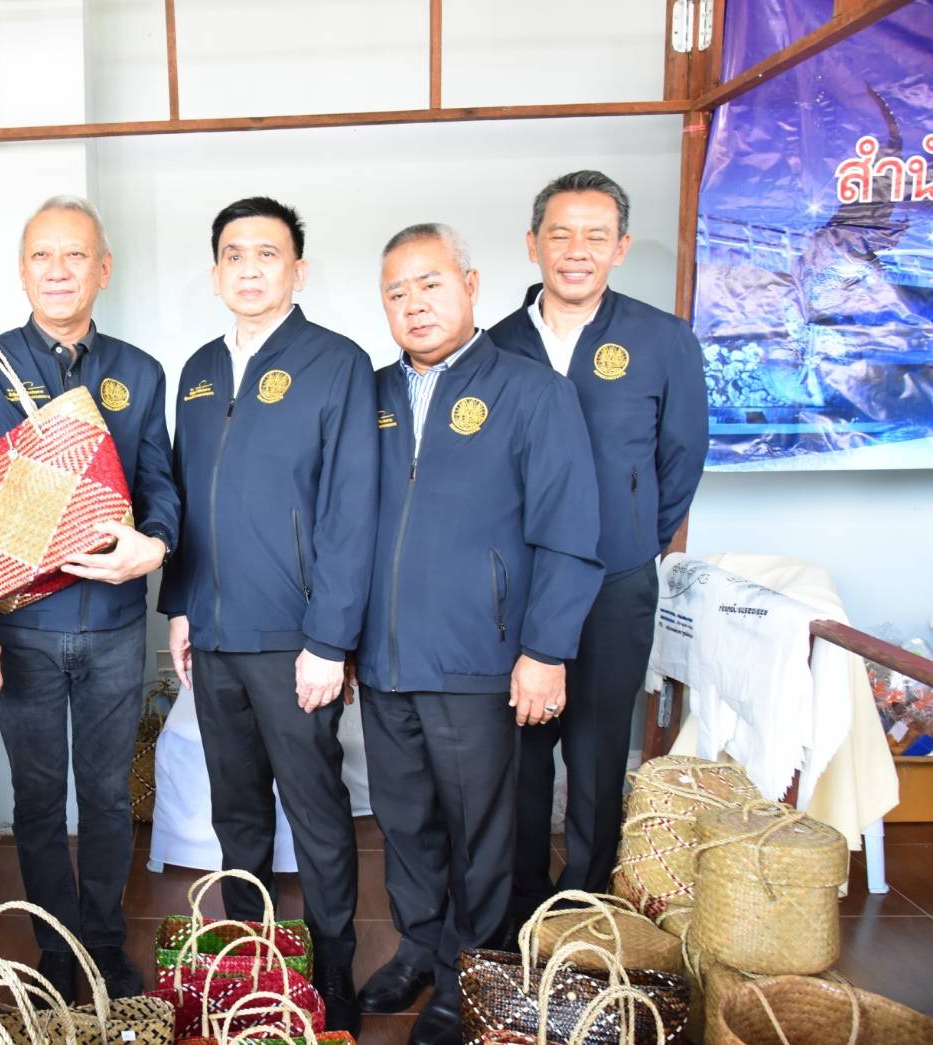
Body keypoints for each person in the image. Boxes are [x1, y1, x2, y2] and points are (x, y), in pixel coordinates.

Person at [0, 196, 180, 1000]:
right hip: (20, 624)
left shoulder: (138, 371)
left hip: (113, 625)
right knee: (35, 798)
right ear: (22, 271)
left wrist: (155, 541)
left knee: (105, 798)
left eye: (74, 255)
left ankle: (103, 944)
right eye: (41, 256)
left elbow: (159, 482)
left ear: (104, 268)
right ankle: (55, 951)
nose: (58, 270)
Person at [357, 224, 602, 1045]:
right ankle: (419, 946)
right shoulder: (371, 396)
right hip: (385, 657)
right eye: (396, 291)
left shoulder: (531, 392)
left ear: (469, 284)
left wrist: (545, 650)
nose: (414, 303)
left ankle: (471, 966)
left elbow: (569, 532)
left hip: (479, 656)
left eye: (430, 283)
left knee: (480, 830)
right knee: (403, 819)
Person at [158, 196, 376, 1033]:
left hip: (294, 640)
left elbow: (351, 511)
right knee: (235, 808)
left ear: (298, 270)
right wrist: (180, 604)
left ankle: (333, 969)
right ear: (216, 271)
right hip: (213, 632)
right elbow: (183, 495)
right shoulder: (199, 369)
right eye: (233, 255)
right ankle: (250, 958)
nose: (248, 269)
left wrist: (329, 640)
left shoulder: (336, 363)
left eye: (267, 254)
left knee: (314, 808)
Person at [488, 171, 709, 920]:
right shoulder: (496, 346)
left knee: (596, 747)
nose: (575, 250)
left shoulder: (661, 339)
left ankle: (586, 903)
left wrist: (630, 538)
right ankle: (519, 902)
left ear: (620, 247)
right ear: (532, 244)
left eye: (594, 235)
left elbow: (680, 460)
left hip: (616, 584)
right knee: (517, 751)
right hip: (517, 585)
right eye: (559, 234)